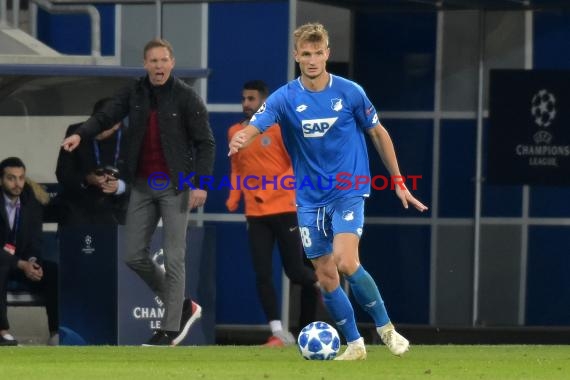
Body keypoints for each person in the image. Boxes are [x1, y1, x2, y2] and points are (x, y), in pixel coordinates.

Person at [229, 23, 428, 360]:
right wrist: (241, 138)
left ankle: (387, 330)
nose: (311, 60)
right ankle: (354, 344)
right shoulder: (285, 97)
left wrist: (398, 181)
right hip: (308, 197)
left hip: (348, 189)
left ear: (327, 54)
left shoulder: (350, 92)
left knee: (346, 261)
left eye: (317, 53)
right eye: (305, 54)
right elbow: (257, 125)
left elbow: (378, 133)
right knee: (324, 272)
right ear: (296, 56)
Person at [61, 38, 215, 346]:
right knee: (132, 255)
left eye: (163, 60)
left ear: (172, 63)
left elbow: (206, 143)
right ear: (145, 65)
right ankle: (183, 306)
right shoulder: (133, 92)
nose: (158, 66)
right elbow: (105, 117)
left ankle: (170, 329)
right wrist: (80, 134)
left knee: (174, 257)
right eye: (153, 61)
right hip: (142, 185)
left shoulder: (186, 97)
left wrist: (201, 184)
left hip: (176, 186)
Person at [226, 80, 318, 347]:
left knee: (296, 272)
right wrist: (234, 197)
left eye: (251, 99)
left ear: (263, 102)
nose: (246, 103)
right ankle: (278, 332)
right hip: (255, 214)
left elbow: (296, 164)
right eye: (243, 98)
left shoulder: (279, 129)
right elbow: (237, 169)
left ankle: (322, 284)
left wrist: (274, 189)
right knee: (262, 273)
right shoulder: (235, 132)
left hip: (285, 210)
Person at [0, 157, 59, 346]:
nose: (17, 184)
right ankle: (2, 331)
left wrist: (33, 262)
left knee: (53, 272)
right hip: (3, 262)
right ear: (1, 180)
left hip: (23, 262)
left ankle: (56, 331)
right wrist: (20, 264)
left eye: (21, 178)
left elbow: (35, 240)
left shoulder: (31, 203)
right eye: (11, 178)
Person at [56, 98, 129, 225]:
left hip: (117, 213)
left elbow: (143, 182)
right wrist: (86, 179)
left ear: (117, 124)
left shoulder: (133, 138)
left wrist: (120, 186)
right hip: (78, 212)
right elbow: (62, 173)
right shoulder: (75, 132)